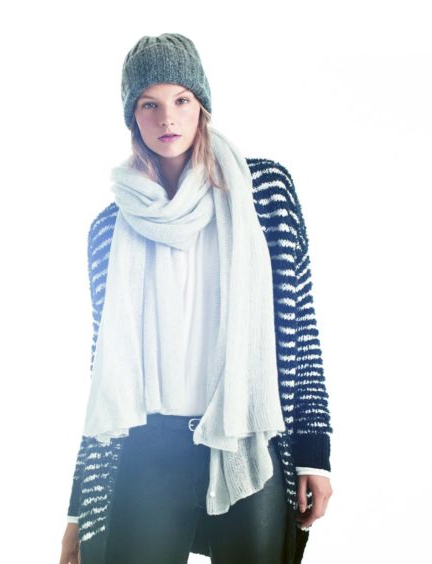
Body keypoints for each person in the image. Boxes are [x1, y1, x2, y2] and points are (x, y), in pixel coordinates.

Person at [59, 33, 333, 564]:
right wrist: (78, 510)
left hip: (247, 438)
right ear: (132, 117)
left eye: (181, 100)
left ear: (201, 105)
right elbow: (104, 380)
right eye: (150, 104)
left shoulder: (264, 192)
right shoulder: (109, 230)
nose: (168, 118)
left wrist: (314, 455)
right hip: (146, 448)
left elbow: (300, 330)